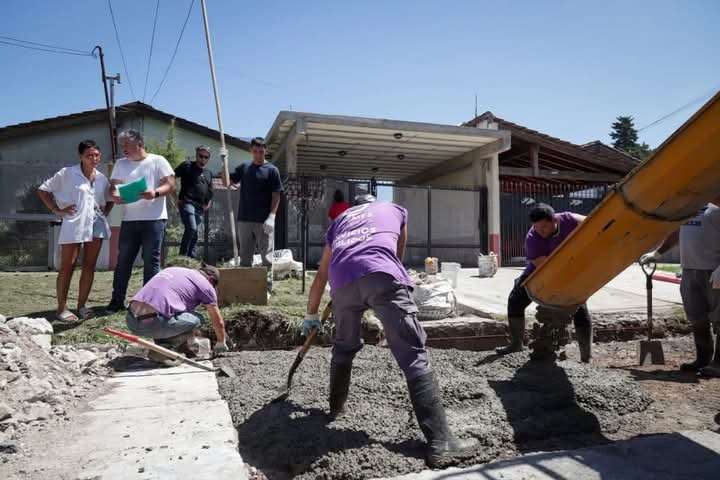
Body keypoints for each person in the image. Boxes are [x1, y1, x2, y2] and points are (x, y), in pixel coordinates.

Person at [303, 194, 478, 467]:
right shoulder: (394, 209)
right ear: (373, 202)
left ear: (355, 207)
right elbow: (398, 252)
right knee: (412, 354)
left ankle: (335, 410)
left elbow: (322, 273)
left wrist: (311, 313)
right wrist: (387, 282)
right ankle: (442, 443)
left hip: (342, 284)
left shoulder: (340, 221)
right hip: (380, 274)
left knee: (344, 347)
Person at [496, 203, 592, 362]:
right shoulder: (532, 238)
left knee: (580, 306)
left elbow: (593, 223)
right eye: (537, 227)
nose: (541, 231)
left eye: (545, 227)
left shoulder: (569, 219)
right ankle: (516, 344)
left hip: (573, 271)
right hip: (540, 272)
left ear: (555, 220)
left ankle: (586, 356)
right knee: (515, 299)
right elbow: (547, 268)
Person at [640, 198, 720, 377]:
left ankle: (719, 364)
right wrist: (657, 253)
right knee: (697, 317)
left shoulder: (717, 208)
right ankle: (703, 359)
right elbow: (677, 233)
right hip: (690, 271)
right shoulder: (689, 208)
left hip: (714, 272)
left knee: (719, 318)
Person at [37, 140, 113, 322]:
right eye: (89, 156)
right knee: (67, 266)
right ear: (81, 157)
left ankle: (81, 306)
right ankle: (62, 308)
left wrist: (106, 211)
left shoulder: (102, 178)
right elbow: (43, 190)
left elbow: (110, 197)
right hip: (73, 223)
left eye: (96, 155)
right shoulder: (67, 173)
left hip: (96, 224)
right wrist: (57, 210)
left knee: (89, 266)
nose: (94, 159)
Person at [107, 129, 176, 312]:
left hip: (154, 220)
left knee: (151, 262)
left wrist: (155, 192)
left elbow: (170, 184)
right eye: (122, 146)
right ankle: (116, 301)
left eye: (127, 146)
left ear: (139, 144)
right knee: (123, 261)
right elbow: (113, 187)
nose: (124, 150)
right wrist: (115, 196)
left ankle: (150, 303)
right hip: (130, 219)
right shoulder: (121, 164)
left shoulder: (158, 161)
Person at [125, 264, 228, 360]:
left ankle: (166, 347)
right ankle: (165, 349)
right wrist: (221, 342)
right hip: (155, 323)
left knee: (170, 316)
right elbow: (217, 321)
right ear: (210, 279)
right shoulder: (206, 285)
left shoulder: (173, 270)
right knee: (198, 318)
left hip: (131, 321)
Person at [225, 137, 283, 273]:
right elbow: (227, 182)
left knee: (267, 258)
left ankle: (267, 289)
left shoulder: (272, 170)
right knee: (245, 258)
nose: (258, 155)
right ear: (251, 150)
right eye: (256, 151)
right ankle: (248, 289)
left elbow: (276, 194)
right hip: (244, 220)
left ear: (265, 151)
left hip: (264, 221)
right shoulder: (244, 168)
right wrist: (224, 162)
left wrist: (272, 217)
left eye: (261, 152)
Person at [175, 146, 214, 258]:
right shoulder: (187, 165)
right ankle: (182, 257)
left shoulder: (208, 173)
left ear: (208, 159)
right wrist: (173, 195)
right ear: (196, 155)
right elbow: (171, 177)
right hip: (187, 202)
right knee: (192, 228)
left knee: (195, 234)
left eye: (206, 157)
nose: (203, 159)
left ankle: (190, 259)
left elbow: (211, 190)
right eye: (200, 156)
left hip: (199, 207)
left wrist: (208, 203)